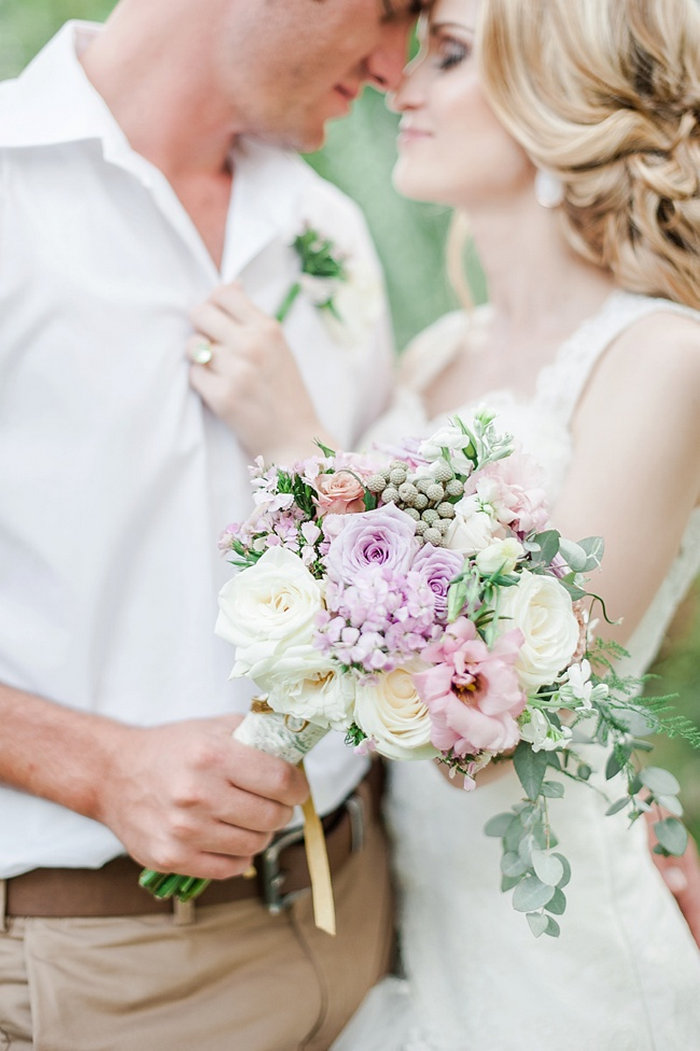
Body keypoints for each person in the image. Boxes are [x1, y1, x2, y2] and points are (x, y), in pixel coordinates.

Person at [188, 0, 700, 1047]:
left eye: (451, 55)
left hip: (560, 957)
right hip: (405, 927)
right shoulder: (433, 355)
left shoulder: (664, 360)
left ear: (560, 94)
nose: (401, 84)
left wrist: (297, 445)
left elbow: (529, 714)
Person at [0, 2, 432, 1048]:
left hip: (364, 918)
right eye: (388, 12)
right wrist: (93, 765)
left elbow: (378, 603)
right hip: (105, 969)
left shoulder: (330, 230)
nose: (394, 69)